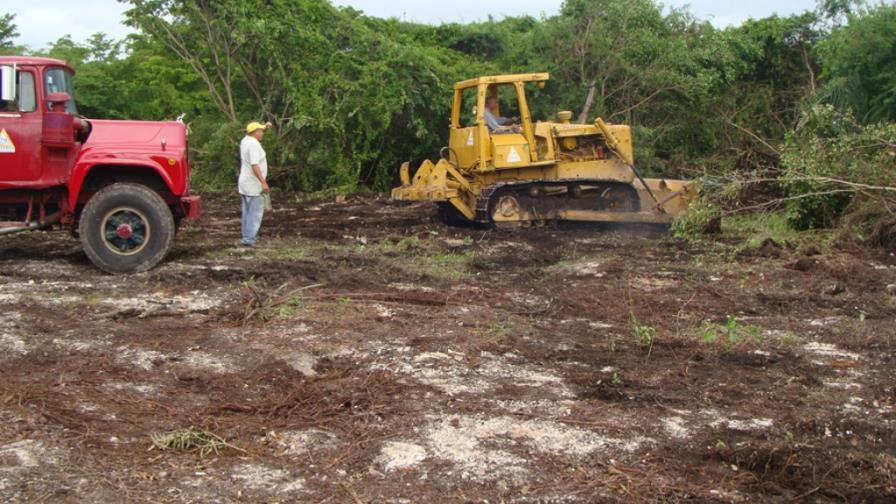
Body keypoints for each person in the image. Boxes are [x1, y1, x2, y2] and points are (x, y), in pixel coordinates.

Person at [238, 121, 272, 247]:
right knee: (255, 213)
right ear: (255, 133)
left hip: (245, 182)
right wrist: (263, 182)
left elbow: (255, 130)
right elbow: (254, 165)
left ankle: (246, 237)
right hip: (253, 184)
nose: (262, 133)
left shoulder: (246, 140)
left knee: (247, 211)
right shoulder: (253, 145)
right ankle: (249, 239)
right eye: (261, 131)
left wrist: (265, 126)